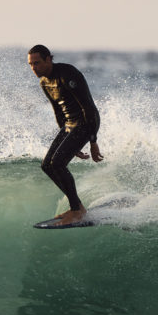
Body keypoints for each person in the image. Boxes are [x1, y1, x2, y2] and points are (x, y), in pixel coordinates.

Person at [28, 44, 103, 226]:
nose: (34, 68)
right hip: (69, 126)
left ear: (48, 59)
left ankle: (77, 211)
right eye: (31, 64)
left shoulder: (67, 74)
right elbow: (58, 112)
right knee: (47, 165)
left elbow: (88, 107)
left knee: (58, 164)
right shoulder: (44, 82)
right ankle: (78, 207)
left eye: (37, 63)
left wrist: (93, 141)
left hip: (86, 122)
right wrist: (70, 142)